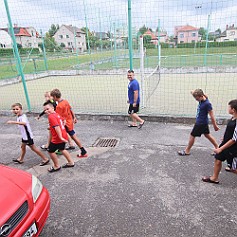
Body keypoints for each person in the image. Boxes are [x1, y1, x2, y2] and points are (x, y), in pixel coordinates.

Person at [202, 99, 237, 184]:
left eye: (229, 107)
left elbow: (234, 139)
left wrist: (220, 149)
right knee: (218, 159)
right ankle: (214, 178)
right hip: (225, 144)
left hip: (232, 148)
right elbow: (230, 132)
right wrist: (224, 138)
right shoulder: (233, 118)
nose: (227, 108)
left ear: (233, 110)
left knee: (234, 169)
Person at [178, 89, 219, 156]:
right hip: (202, 122)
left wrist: (215, 126)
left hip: (201, 123)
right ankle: (218, 148)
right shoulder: (202, 99)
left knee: (192, 135)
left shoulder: (207, 104)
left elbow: (212, 116)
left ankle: (187, 151)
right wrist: (193, 92)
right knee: (207, 135)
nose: (196, 100)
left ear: (201, 96)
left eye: (197, 99)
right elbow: (194, 92)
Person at [50, 88, 87, 158]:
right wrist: (74, 117)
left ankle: (61, 149)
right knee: (73, 136)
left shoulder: (59, 106)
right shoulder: (65, 101)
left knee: (61, 135)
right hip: (70, 122)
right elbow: (70, 109)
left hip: (65, 124)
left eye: (52, 97)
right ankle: (81, 150)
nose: (52, 98)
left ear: (55, 96)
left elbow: (58, 117)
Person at [43, 100, 75, 172]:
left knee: (50, 151)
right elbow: (63, 121)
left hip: (57, 138)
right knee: (62, 149)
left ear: (53, 108)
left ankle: (56, 166)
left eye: (47, 109)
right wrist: (52, 127)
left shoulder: (51, 116)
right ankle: (71, 162)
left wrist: (60, 137)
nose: (46, 111)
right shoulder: (56, 114)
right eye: (45, 110)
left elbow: (56, 127)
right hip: (63, 135)